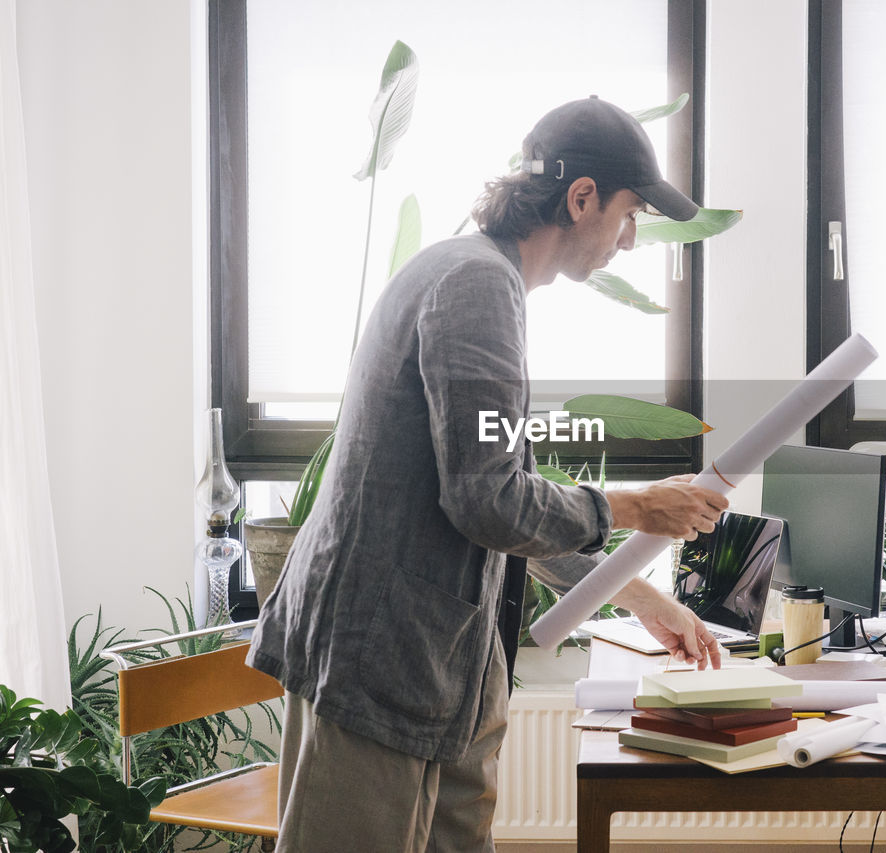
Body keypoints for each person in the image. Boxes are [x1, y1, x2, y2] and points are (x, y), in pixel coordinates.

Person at [247, 95, 730, 853]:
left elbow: (509, 505)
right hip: (383, 662)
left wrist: (639, 599)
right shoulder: (477, 287)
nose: (631, 240)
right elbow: (489, 501)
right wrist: (634, 506)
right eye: (629, 214)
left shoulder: (482, 278)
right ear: (581, 198)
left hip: (448, 676)